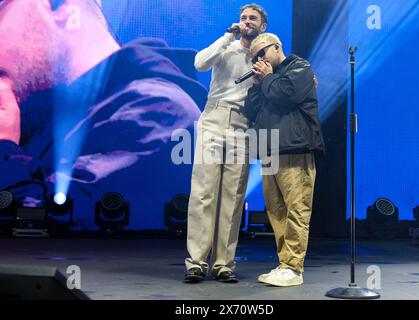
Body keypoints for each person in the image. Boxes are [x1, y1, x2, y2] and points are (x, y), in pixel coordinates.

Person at [0, 0, 207, 229]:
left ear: (63, 7)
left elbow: (56, 240)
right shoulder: (42, 131)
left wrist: (4, 154)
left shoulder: (161, 114)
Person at [184, 3, 268, 283]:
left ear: (262, 26)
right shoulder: (226, 46)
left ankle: (223, 264)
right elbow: (199, 63)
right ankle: (196, 262)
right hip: (214, 117)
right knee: (204, 191)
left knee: (233, 196)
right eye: (243, 18)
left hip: (244, 124)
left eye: (252, 18)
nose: (246, 22)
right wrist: (227, 35)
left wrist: (265, 76)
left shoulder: (264, 58)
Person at [244, 33, 325, 287]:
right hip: (270, 152)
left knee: (296, 209)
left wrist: (267, 78)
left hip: (295, 148)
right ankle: (284, 263)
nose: (258, 60)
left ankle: (293, 267)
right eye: (254, 57)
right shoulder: (267, 79)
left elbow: (285, 95)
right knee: (276, 210)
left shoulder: (300, 68)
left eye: (262, 53)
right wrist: (258, 84)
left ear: (277, 47)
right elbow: (251, 110)